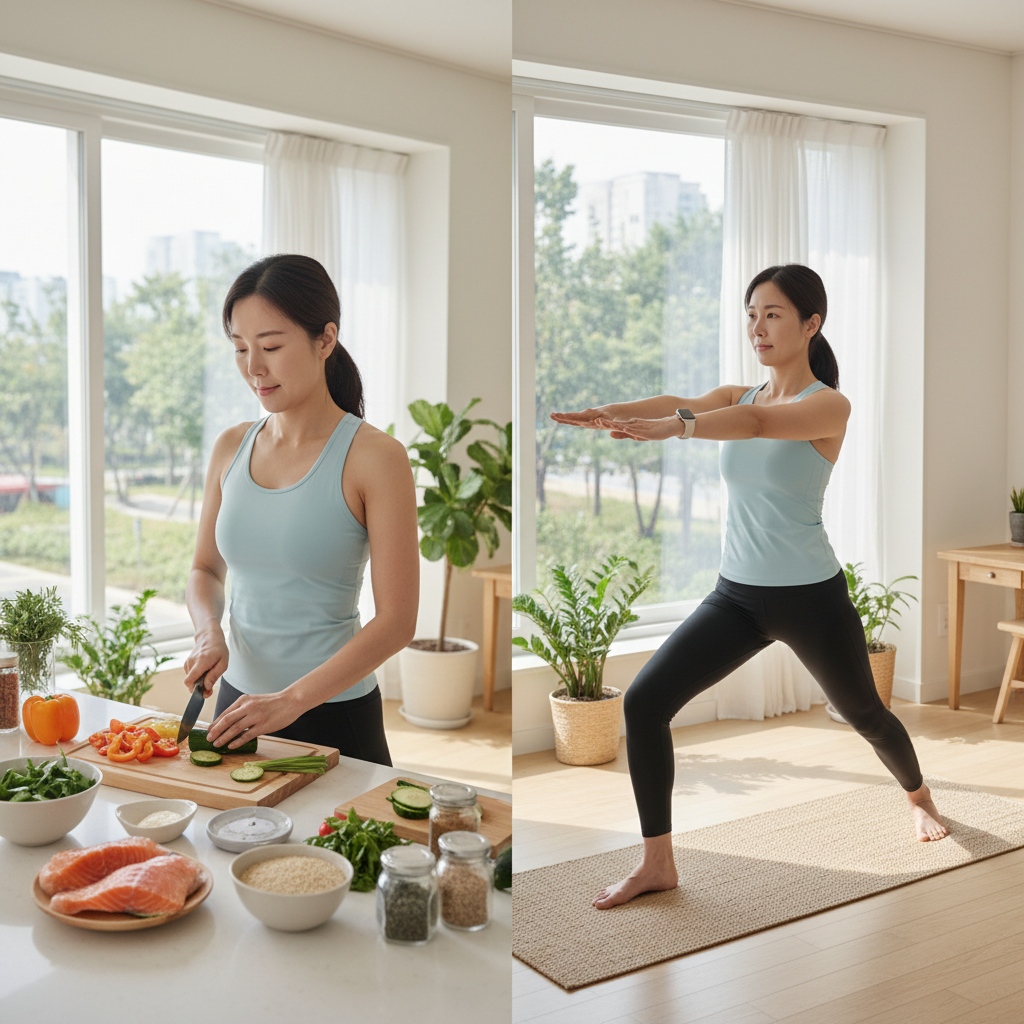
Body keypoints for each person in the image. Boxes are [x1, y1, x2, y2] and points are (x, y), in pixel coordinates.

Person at [551, 263, 947, 911]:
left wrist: (679, 428)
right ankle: (658, 863)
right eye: (752, 314)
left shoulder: (826, 404)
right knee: (645, 704)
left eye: (773, 315)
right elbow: (684, 402)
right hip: (737, 597)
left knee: (864, 713)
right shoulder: (739, 394)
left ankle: (919, 798)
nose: (757, 327)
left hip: (811, 597)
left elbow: (753, 428)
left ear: (810, 324)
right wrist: (610, 414)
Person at [182, 254, 419, 765]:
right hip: (236, 709)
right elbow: (204, 569)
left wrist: (290, 701)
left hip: (335, 716)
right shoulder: (230, 447)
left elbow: (398, 621)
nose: (253, 368)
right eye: (240, 349)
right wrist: (208, 633)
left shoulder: (376, 458)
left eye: (270, 346)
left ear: (325, 340)